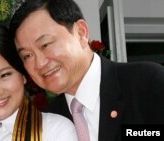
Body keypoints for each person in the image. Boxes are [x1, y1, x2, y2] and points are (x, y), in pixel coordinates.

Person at [9, 0, 164, 141]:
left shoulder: (146, 82)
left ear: (81, 32)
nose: (40, 63)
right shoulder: (48, 121)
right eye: (27, 55)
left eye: (46, 45)